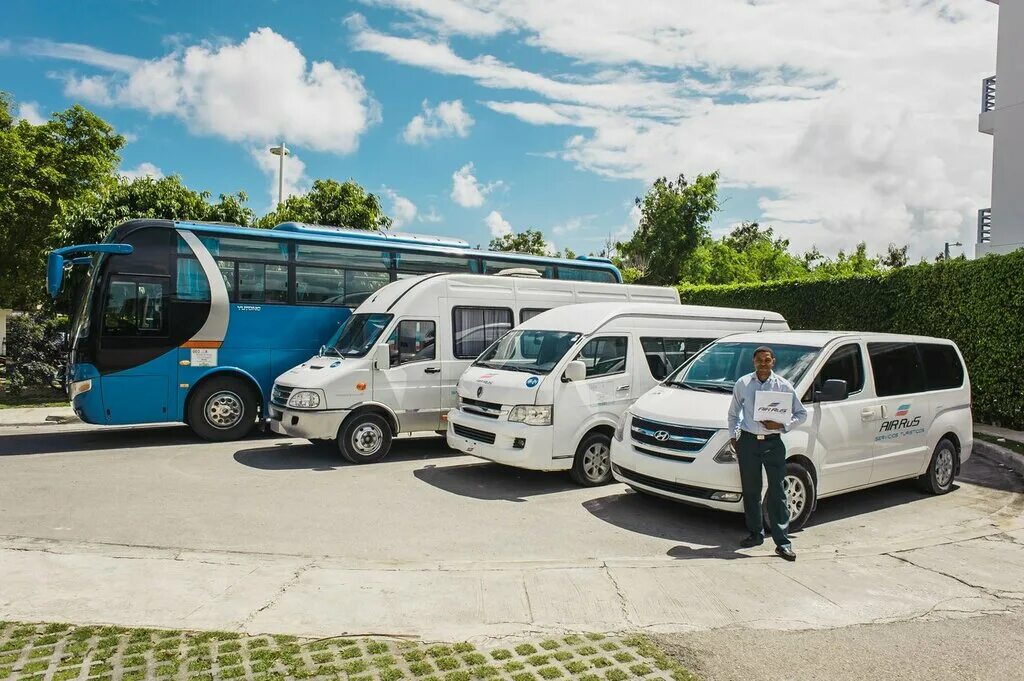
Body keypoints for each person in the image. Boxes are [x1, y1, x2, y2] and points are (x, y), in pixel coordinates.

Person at [727, 346, 808, 561]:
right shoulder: (743, 384)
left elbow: (801, 413)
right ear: (754, 362)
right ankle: (755, 534)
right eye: (759, 360)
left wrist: (781, 426)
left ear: (773, 362)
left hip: (773, 443)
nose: (763, 363)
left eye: (767, 360)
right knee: (751, 490)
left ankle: (782, 542)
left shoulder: (783, 385)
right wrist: (734, 436)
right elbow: (733, 413)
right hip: (748, 442)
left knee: (778, 492)